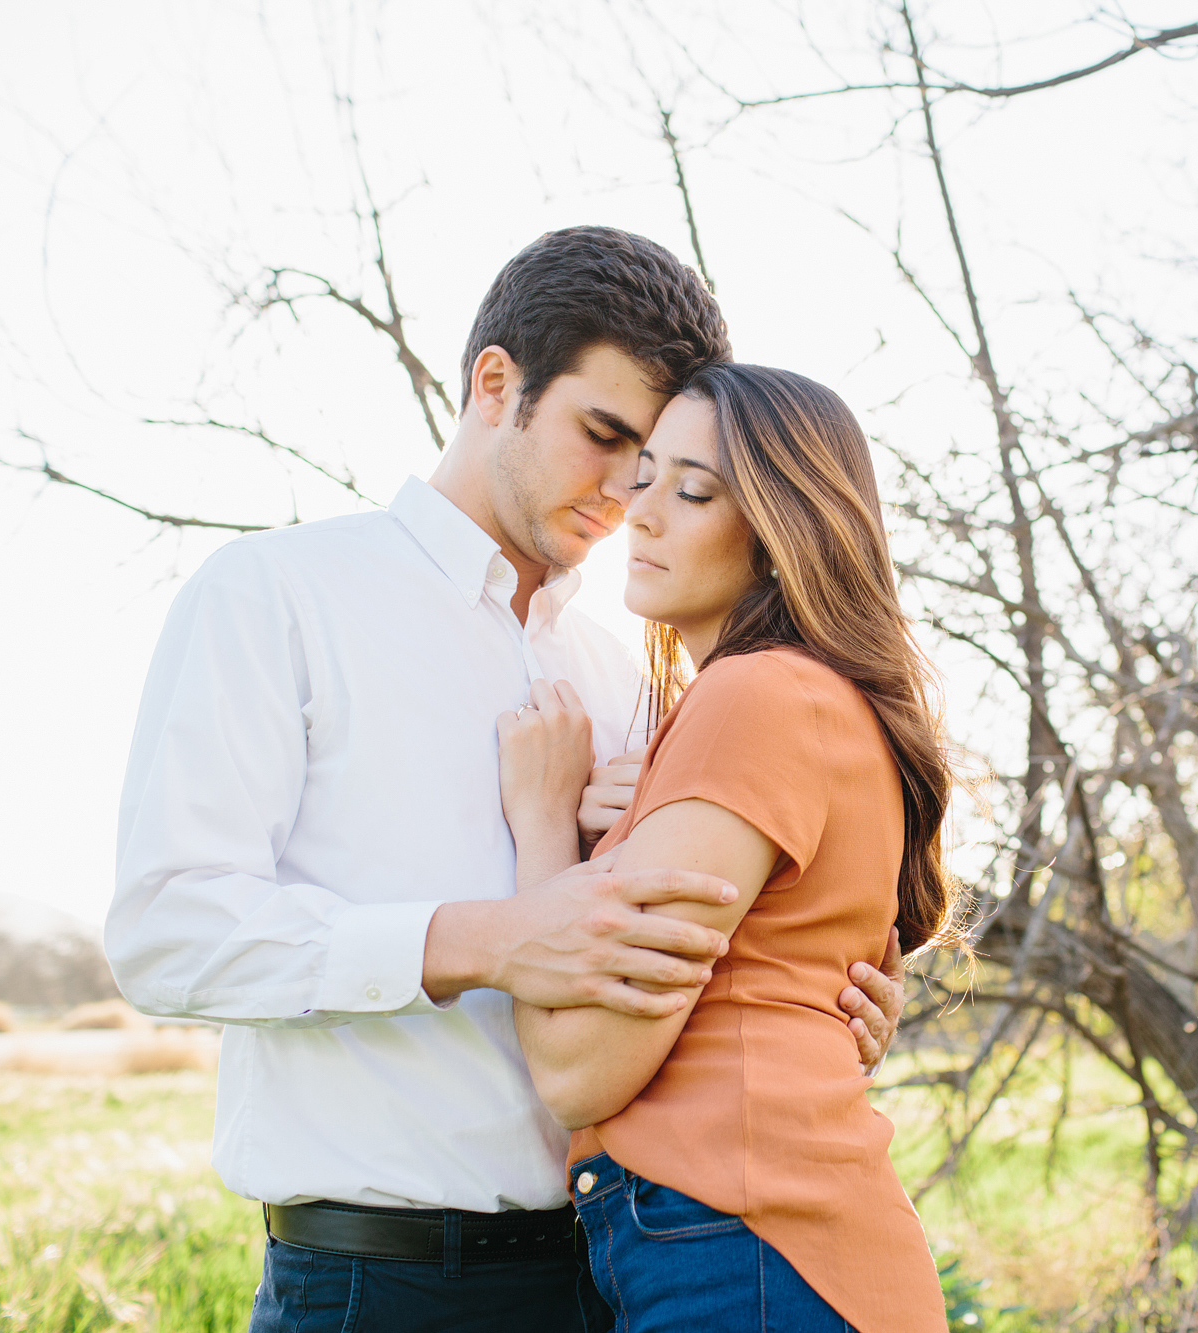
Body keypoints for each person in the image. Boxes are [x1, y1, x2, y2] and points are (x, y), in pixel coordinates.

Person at [106, 228, 906, 1332]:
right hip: (382, 1281)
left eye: (652, 468)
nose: (624, 496)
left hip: (621, 1270)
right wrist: (481, 938)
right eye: (603, 435)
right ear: (497, 384)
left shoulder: (635, 672)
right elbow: (164, 928)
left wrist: (816, 997)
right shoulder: (279, 595)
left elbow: (677, 965)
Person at [497, 363, 959, 1332]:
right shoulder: (811, 699)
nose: (642, 510)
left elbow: (579, 1068)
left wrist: (543, 826)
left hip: (746, 1255)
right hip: (773, 1254)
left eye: (693, 490)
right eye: (646, 473)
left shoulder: (757, 695)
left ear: (784, 535)